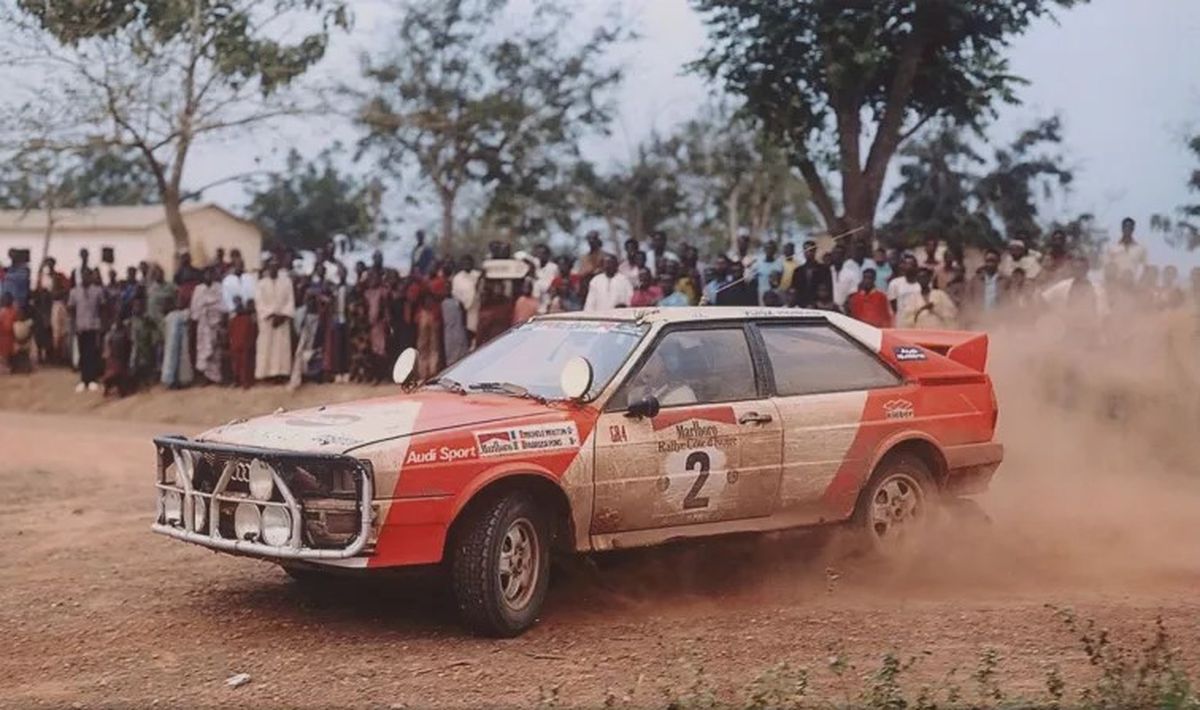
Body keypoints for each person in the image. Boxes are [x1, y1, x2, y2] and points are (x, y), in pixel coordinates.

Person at [254, 258, 295, 381]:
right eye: (271, 267)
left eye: (275, 266)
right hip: (267, 321)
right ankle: (265, 374)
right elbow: (259, 302)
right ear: (267, 269)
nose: (273, 269)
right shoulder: (261, 284)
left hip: (282, 320)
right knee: (266, 347)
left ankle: (281, 373)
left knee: (281, 348)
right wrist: (271, 315)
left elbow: (290, 300)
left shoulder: (286, 282)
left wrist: (282, 316)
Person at [67, 269, 105, 392]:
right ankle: (84, 379)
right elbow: (71, 309)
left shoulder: (97, 291)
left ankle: (92, 379)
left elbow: (102, 307)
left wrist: (102, 324)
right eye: (83, 276)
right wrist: (73, 326)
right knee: (83, 354)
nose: (85, 278)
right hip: (81, 326)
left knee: (92, 353)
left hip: (94, 326)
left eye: (87, 276)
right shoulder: (74, 292)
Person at [190, 268, 226, 383]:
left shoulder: (219, 287)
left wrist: (213, 308)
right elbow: (194, 307)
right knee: (203, 349)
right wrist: (201, 312)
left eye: (211, 273)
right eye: (206, 274)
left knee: (215, 350)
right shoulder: (198, 289)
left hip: (215, 322)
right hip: (203, 323)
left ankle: (216, 376)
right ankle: (205, 377)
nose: (208, 276)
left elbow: (222, 304)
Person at [967, 249, 1010, 322]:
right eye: (987, 260)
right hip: (979, 318)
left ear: (998, 262)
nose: (990, 263)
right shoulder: (975, 280)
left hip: (999, 319)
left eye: (992, 260)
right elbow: (968, 299)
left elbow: (1010, 300)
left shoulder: (1006, 280)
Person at [126, 297, 158, 389]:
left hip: (145, 343)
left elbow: (153, 327)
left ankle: (146, 380)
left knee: (146, 361)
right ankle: (136, 381)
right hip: (135, 343)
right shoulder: (131, 320)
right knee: (135, 361)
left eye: (138, 306)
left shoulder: (146, 318)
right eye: (135, 306)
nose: (137, 308)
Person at [450, 255, 482, 344]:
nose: (467, 264)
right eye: (465, 262)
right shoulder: (457, 278)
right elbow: (455, 294)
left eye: (469, 262)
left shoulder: (478, 275)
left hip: (478, 308)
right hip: (464, 311)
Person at [791, 240, 831, 308]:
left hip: (819, 306)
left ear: (815, 251)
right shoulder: (797, 271)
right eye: (806, 250)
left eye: (811, 250)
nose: (808, 253)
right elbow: (795, 290)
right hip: (801, 306)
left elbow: (827, 288)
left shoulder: (824, 269)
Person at [476, 279, 513, 346]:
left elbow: (480, 334)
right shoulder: (507, 304)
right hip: (504, 338)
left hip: (494, 340)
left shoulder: (487, 312)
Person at [829, 244, 861, 308]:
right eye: (836, 253)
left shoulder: (851, 274)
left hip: (845, 310)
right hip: (829, 309)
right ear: (832, 255)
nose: (838, 256)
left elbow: (854, 292)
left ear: (844, 256)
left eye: (840, 254)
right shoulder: (826, 272)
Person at [754, 240, 784, 304]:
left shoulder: (779, 264)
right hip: (761, 294)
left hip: (775, 295)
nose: (769, 250)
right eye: (767, 248)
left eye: (771, 248)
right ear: (764, 250)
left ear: (775, 250)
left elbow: (779, 281)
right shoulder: (759, 264)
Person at [0, 292, 15, 373]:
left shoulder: (3, 312)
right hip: (9, 337)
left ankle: (4, 365)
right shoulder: (13, 311)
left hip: (5, 336)